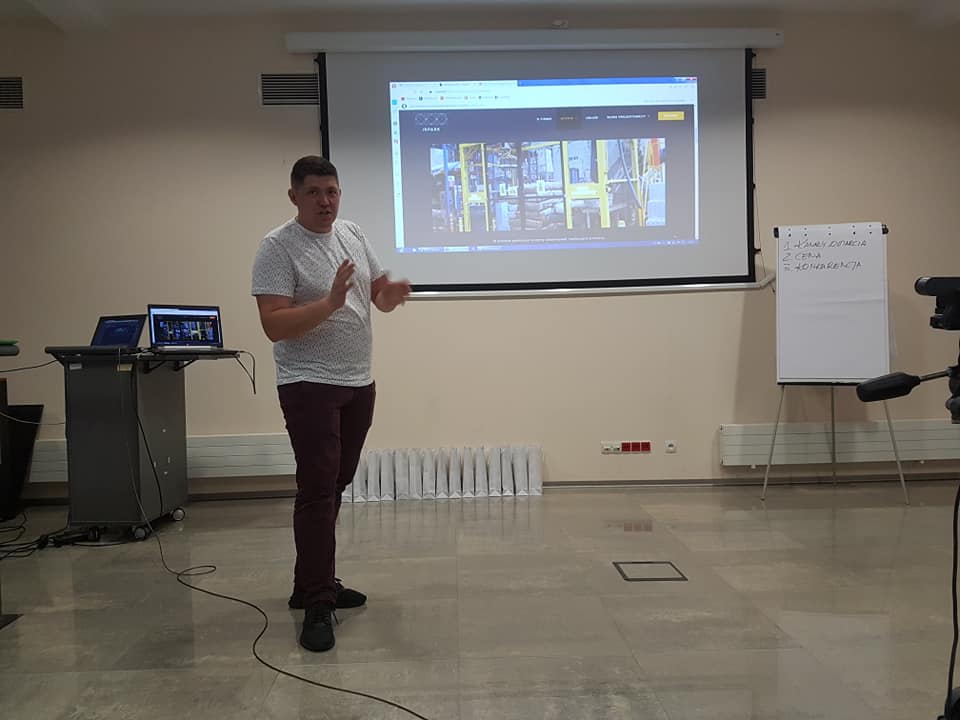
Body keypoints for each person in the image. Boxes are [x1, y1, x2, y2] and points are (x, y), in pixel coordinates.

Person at [251, 155, 411, 652]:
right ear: (294, 196)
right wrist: (327, 304)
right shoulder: (277, 247)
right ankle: (319, 600)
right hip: (308, 383)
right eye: (315, 192)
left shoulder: (352, 233)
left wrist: (390, 294)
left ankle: (311, 584)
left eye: (332, 191)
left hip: (358, 381)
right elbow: (273, 324)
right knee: (318, 490)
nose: (325, 201)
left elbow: (377, 293)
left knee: (335, 484)